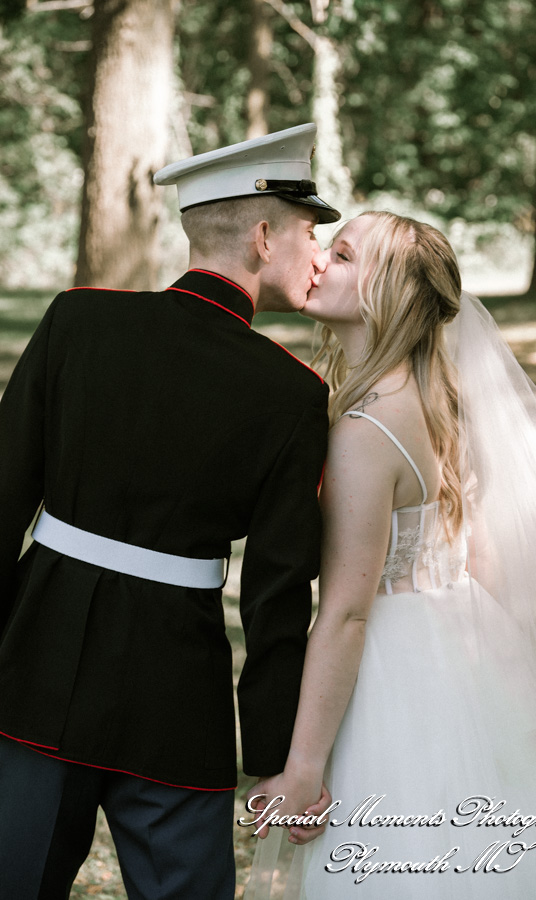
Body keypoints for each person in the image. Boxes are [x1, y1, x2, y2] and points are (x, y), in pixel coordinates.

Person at [243, 211, 536, 898]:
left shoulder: (365, 429)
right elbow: (481, 556)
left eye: (344, 255)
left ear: (384, 293)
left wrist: (302, 771)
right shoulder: (439, 397)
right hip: (462, 639)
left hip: (394, 668)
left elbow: (347, 615)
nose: (320, 263)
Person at [0, 123, 340, 900]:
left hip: (35, 660)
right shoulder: (292, 394)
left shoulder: (76, 322)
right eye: (310, 232)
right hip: (174, 690)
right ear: (262, 235)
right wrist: (274, 753)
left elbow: (3, 497)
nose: (318, 253)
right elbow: (275, 595)